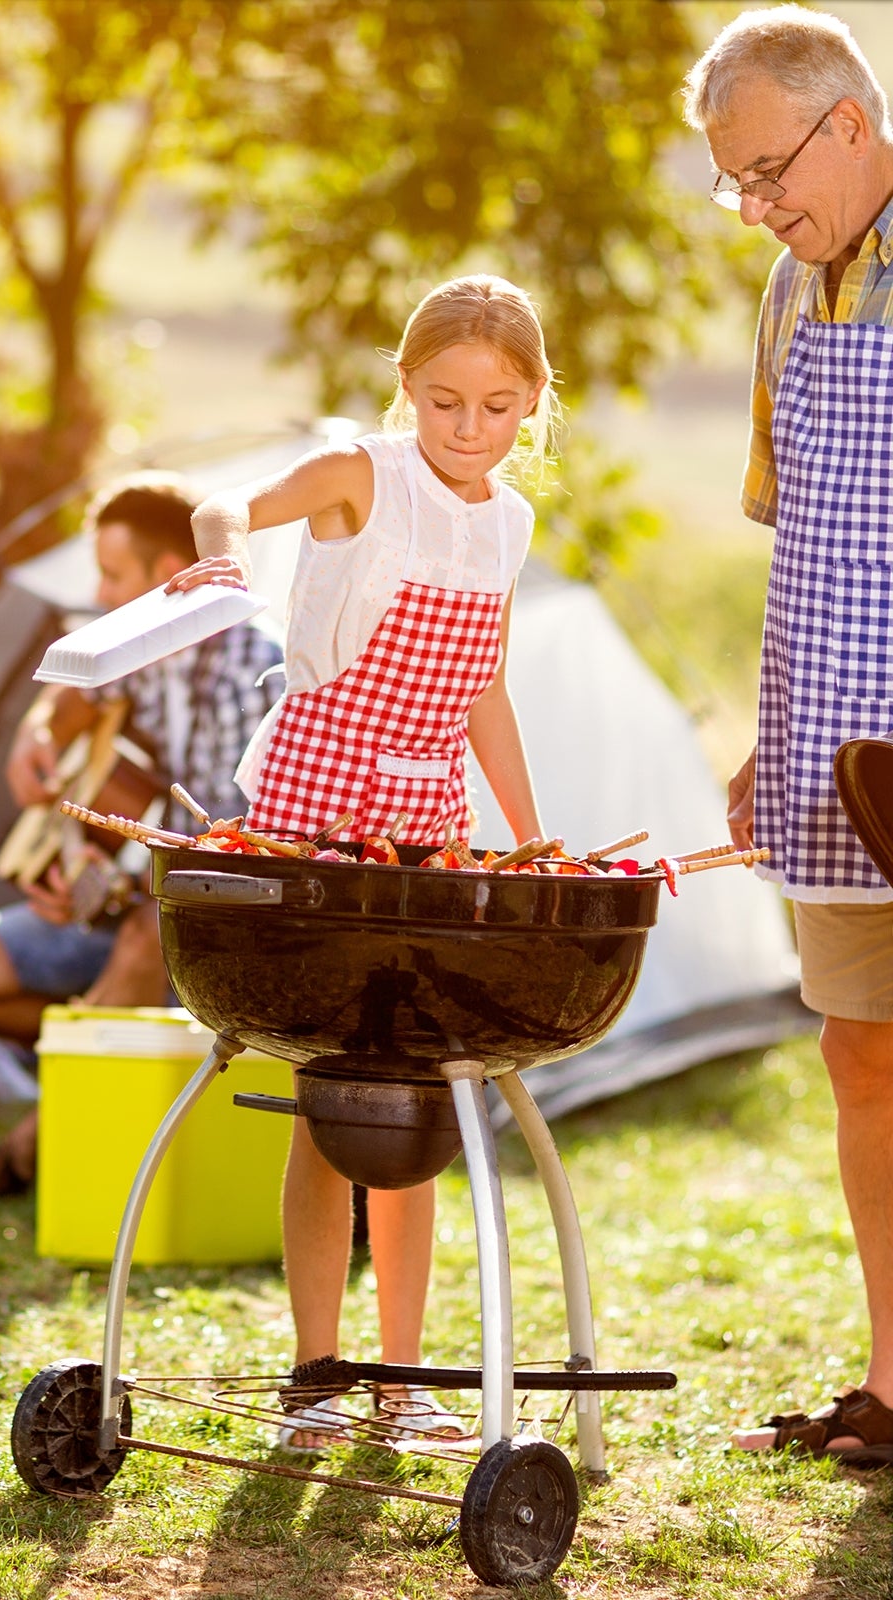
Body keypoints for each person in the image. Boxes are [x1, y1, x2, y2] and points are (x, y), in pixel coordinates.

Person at [166, 274, 552, 1451]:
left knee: (416, 1096)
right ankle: (317, 1373)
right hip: (314, 812)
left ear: (532, 404)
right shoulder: (360, 475)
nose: (466, 430)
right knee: (327, 1101)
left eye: (494, 407)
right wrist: (225, 558)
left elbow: (477, 684)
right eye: (442, 403)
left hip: (423, 825)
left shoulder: (509, 522)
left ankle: (401, 1382)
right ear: (405, 389)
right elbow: (223, 501)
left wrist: (529, 836)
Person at [685, 7, 893, 1471]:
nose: (758, 206)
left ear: (853, 124)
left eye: (768, 171)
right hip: (835, 756)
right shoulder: (783, 295)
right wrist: (778, 728)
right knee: (863, 1060)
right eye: (737, 184)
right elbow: (800, 540)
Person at [0, 472, 285, 1201]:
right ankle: (105, 1052)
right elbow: (75, 695)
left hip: (212, 921)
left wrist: (113, 877)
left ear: (168, 576)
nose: (101, 590)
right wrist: (38, 734)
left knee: (145, 939)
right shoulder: (139, 641)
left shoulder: (255, 667)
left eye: (113, 574)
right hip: (137, 899)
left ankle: (22, 1155)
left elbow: (229, 846)